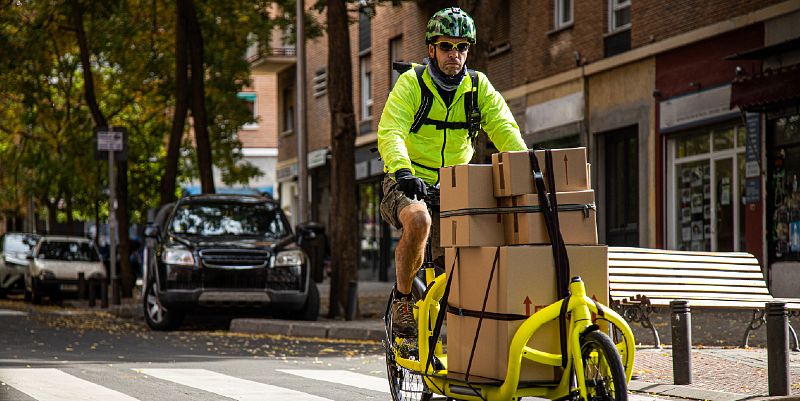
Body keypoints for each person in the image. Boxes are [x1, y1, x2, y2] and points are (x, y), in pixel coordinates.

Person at [377, 7, 527, 337]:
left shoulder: (478, 87)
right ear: (431, 49)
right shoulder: (411, 84)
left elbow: (504, 128)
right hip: (407, 178)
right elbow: (391, 131)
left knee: (459, 266)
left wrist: (526, 166)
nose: (455, 55)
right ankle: (403, 300)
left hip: (455, 183)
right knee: (419, 220)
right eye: (447, 46)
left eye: (462, 47)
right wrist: (403, 170)